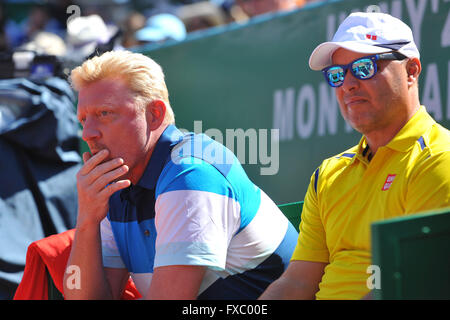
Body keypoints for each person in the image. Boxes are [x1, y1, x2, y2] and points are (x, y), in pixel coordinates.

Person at [63, 50, 298, 299]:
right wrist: (87, 220)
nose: (87, 133)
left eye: (104, 114)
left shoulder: (191, 174)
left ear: (154, 115)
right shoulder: (117, 180)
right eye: (83, 119)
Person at [259, 12, 450, 300]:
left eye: (364, 67)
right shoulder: (329, 173)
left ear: (411, 70)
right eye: (337, 74)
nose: (347, 84)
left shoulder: (438, 158)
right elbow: (298, 282)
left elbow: (411, 285)